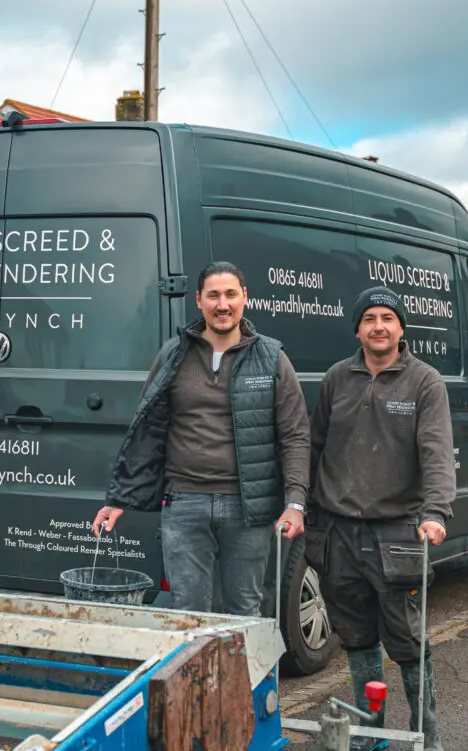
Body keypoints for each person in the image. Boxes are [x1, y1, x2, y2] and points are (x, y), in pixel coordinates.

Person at [92, 262, 311, 616]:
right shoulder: (172, 356)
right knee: (189, 612)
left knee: (245, 612)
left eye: (230, 294)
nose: (222, 304)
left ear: (245, 298)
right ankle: (199, 675)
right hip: (184, 506)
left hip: (249, 508)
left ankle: (238, 675)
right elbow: (147, 431)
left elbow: (295, 435)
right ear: (198, 301)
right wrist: (119, 499)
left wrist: (295, 502)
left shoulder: (272, 358)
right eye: (213, 295)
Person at [308, 286, 454, 751]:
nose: (378, 326)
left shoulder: (424, 382)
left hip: (398, 533)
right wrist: (298, 504)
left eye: (387, 317)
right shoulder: (336, 379)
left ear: (400, 328)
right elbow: (313, 446)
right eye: (369, 318)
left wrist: (435, 513)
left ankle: (425, 732)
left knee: (406, 638)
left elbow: (435, 453)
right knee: (356, 636)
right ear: (357, 329)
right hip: (338, 532)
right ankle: (371, 728)